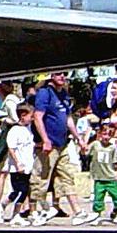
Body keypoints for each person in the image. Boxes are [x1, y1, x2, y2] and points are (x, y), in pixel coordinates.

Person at [30, 71, 79, 224]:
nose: (62, 77)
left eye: (65, 74)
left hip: (62, 143)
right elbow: (37, 117)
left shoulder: (63, 94)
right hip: (49, 143)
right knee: (41, 176)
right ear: (51, 76)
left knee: (66, 176)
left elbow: (68, 118)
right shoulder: (45, 94)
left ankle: (78, 211)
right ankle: (34, 211)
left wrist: (78, 138)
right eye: (58, 74)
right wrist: (45, 139)